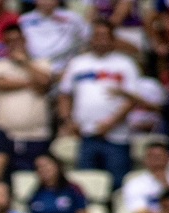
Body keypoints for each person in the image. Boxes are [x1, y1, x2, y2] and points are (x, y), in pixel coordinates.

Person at [58, 19, 140, 190]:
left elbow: (132, 98)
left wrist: (111, 122)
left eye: (105, 36)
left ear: (112, 39)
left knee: (118, 185)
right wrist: (68, 121)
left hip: (117, 136)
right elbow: (64, 94)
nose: (101, 40)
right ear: (90, 38)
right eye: (97, 36)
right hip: (86, 135)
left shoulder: (125, 64)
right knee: (86, 185)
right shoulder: (78, 63)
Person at [0, 23, 54, 173]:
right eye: (9, 41)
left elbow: (44, 82)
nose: (14, 45)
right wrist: (30, 83)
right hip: (5, 135)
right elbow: (0, 83)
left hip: (37, 135)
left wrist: (24, 63)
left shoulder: (41, 63)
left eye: (17, 40)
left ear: (25, 40)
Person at [19, 0, 89, 75]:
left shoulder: (72, 18)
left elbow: (89, 37)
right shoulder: (24, 20)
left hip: (66, 68)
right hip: (35, 68)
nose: (47, 2)